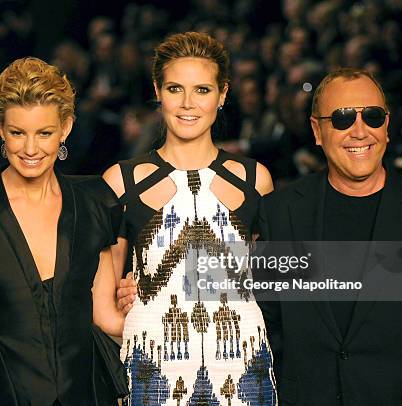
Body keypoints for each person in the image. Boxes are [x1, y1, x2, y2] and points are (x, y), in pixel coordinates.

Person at [0, 57, 127, 406]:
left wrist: (155, 305)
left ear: (66, 127)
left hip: (85, 388)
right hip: (1, 389)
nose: (31, 149)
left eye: (45, 133)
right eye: (18, 133)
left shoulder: (96, 202)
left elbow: (105, 316)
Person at [103, 32, 277, 405]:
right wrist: (139, 319)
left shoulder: (255, 180)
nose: (187, 103)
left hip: (244, 365)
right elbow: (102, 306)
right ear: (157, 90)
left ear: (223, 94)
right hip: (153, 371)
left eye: (202, 90)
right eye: (175, 88)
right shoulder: (122, 181)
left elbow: (269, 283)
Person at [257, 68, 402, 405]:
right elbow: (262, 324)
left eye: (372, 116)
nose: (359, 131)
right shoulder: (280, 213)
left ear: (386, 125)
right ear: (317, 130)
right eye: (341, 119)